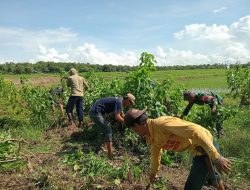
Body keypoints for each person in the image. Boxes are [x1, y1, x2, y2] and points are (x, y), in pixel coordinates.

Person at [124, 108, 231, 190]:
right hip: (198, 150)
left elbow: (196, 131)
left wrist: (216, 158)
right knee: (213, 178)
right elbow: (155, 156)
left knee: (191, 187)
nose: (135, 132)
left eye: (133, 129)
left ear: (138, 125)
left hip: (207, 147)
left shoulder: (161, 124)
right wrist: (153, 174)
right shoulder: (151, 136)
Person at [89, 93, 135, 159]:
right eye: (130, 103)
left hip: (96, 111)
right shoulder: (119, 102)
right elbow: (117, 117)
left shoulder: (120, 100)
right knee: (108, 131)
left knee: (105, 129)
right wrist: (126, 123)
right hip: (95, 113)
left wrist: (128, 121)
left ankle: (98, 148)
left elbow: (122, 114)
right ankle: (110, 155)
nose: (129, 105)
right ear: (127, 99)